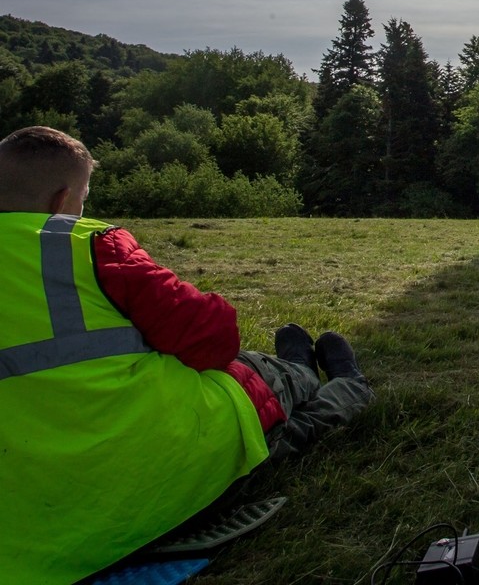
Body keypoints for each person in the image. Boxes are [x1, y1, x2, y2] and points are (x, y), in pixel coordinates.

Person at [0, 126, 375, 584]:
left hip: (25, 531)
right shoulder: (86, 244)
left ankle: (300, 369)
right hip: (151, 468)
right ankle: (335, 382)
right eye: (83, 198)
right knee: (263, 382)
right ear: (62, 201)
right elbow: (213, 339)